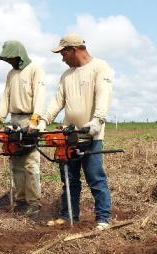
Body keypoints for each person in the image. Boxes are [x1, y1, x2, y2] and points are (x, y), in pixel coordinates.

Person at [42, 33, 114, 230]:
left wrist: (97, 120)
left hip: (91, 135)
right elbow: (57, 102)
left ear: (74, 50)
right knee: (69, 179)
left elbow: (103, 95)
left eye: (63, 53)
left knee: (95, 178)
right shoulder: (66, 76)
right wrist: (42, 121)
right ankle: (68, 216)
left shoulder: (100, 67)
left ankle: (103, 218)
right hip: (68, 136)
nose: (61, 58)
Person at [0, 40, 46, 216]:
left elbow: (40, 95)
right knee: (15, 163)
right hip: (14, 119)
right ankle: (20, 201)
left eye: (11, 58)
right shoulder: (10, 74)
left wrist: (36, 118)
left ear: (19, 56)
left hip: (30, 119)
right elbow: (6, 97)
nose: (9, 62)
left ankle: (34, 202)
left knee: (30, 163)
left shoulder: (36, 69)